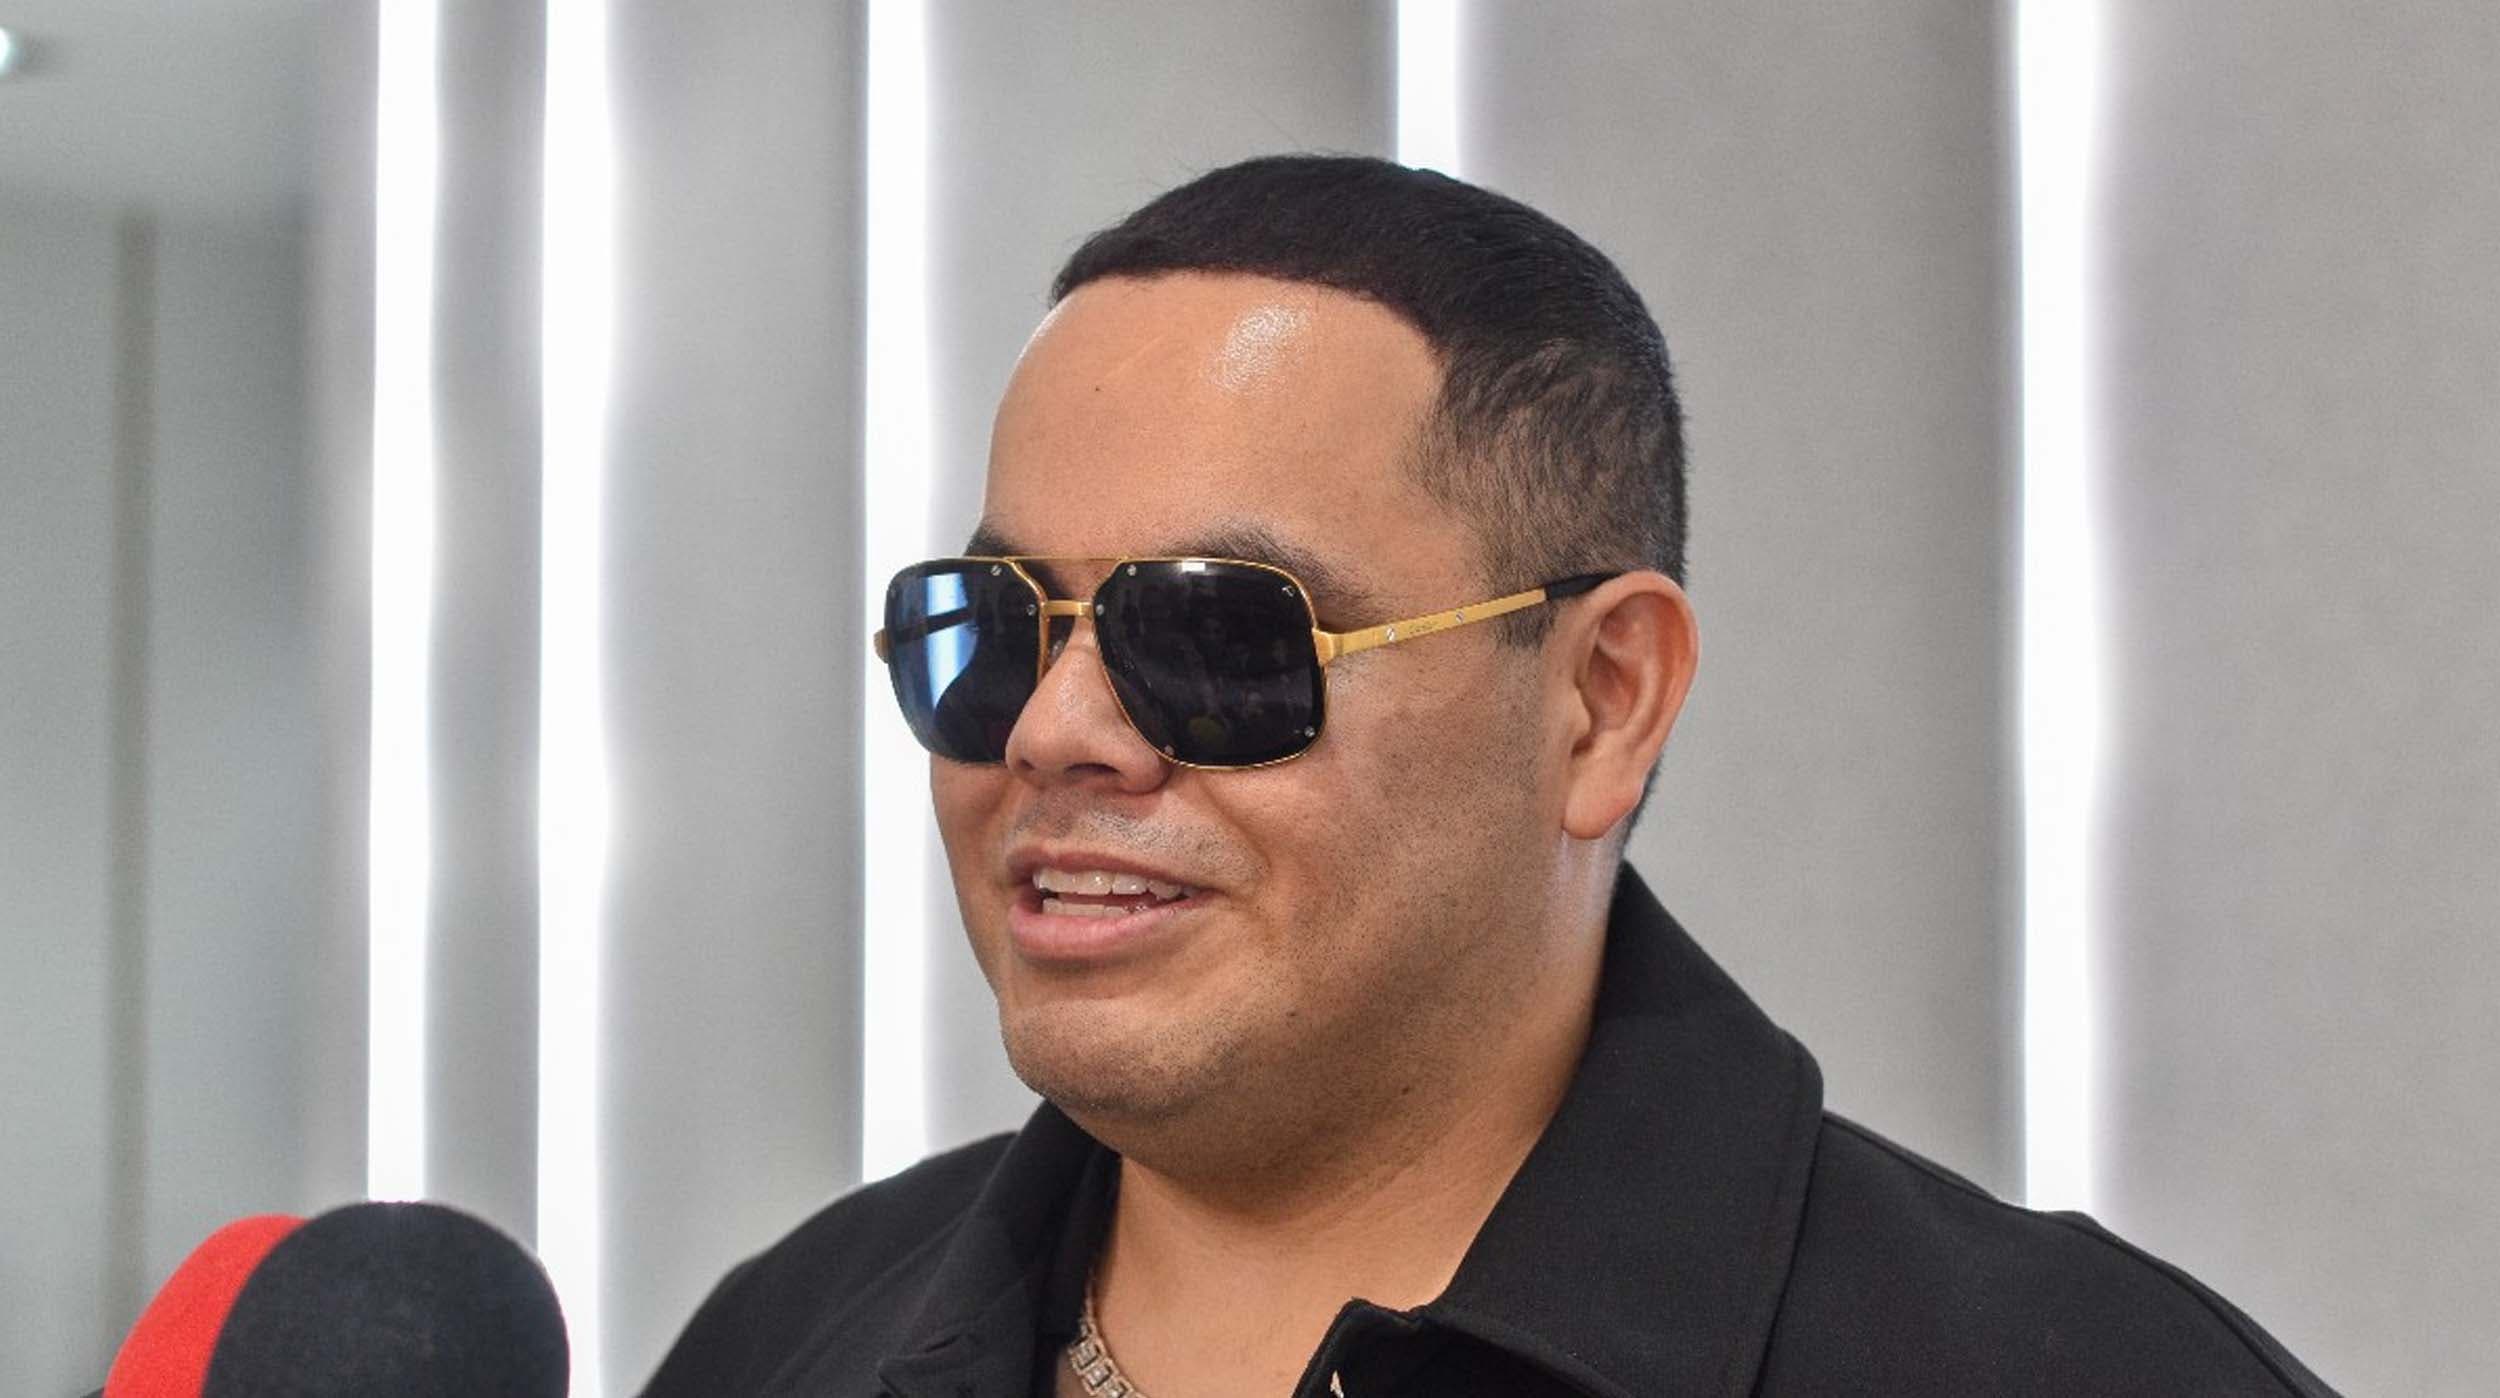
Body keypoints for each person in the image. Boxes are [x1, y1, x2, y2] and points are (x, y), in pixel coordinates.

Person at [645, 155, 2334, 1397]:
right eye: (993, 628)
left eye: (1220, 632)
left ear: (1602, 702)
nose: (1053, 730)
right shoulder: (780, 1342)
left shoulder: (2072, 1370)